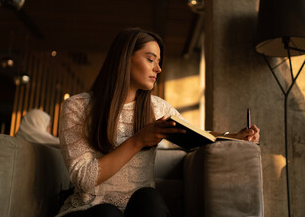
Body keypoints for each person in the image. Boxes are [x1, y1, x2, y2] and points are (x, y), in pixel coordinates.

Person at [57, 27, 260, 217]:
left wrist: (234, 137)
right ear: (124, 59)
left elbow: (195, 135)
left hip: (140, 208)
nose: (159, 68)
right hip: (90, 209)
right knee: (107, 213)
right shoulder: (78, 107)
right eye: (150, 59)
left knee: (149, 198)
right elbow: (85, 179)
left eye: (159, 61)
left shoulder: (158, 108)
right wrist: (138, 141)